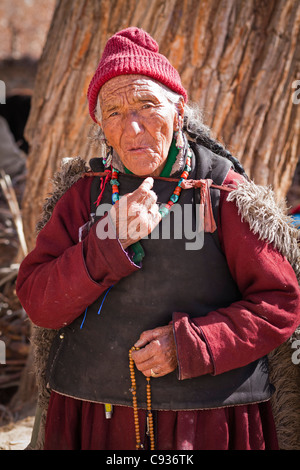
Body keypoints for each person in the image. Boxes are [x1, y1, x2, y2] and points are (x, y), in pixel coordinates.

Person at [16, 27, 300, 451]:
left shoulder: (222, 192)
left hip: (208, 422)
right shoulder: (83, 195)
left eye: (147, 104)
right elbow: (39, 301)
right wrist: (109, 241)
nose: (131, 128)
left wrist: (191, 344)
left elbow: (280, 303)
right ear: (101, 126)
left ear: (179, 109)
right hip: (93, 415)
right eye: (113, 112)